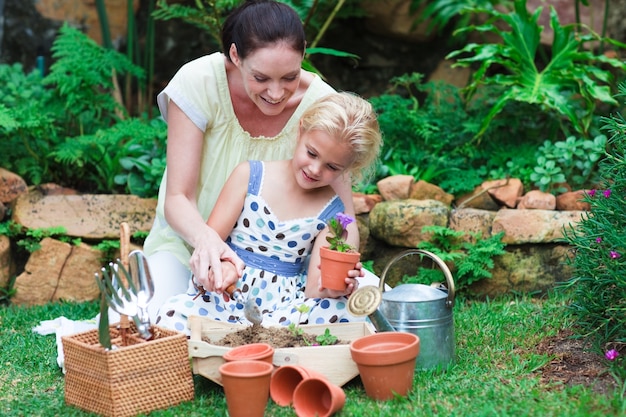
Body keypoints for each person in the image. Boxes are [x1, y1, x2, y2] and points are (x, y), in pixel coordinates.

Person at [141, 0, 363, 321]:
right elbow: (177, 198)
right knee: (146, 320)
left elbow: (343, 218)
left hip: (284, 270)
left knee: (358, 312)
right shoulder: (199, 81)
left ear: (304, 55)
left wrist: (337, 270)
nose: (276, 93)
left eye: (289, 77)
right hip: (188, 243)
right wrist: (208, 243)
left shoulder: (323, 107)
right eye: (261, 78)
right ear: (235, 56)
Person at [155, 92, 382, 332]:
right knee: (172, 313)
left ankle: (266, 347)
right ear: (300, 131)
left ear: (350, 167)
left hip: (286, 310)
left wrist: (336, 288)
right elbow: (211, 246)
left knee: (342, 314)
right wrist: (220, 271)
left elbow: (315, 291)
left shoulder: (333, 214)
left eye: (332, 167)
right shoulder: (250, 176)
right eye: (312, 153)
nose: (315, 169)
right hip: (228, 300)